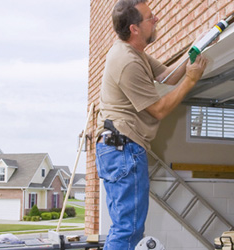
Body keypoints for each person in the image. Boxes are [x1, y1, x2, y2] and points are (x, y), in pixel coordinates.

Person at [95, 0, 207, 249]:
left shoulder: (136, 54)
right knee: (128, 229)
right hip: (122, 148)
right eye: (150, 17)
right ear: (134, 28)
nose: (156, 19)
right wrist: (190, 81)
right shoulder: (126, 62)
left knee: (127, 228)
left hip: (119, 148)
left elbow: (168, 75)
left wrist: (198, 47)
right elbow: (158, 110)